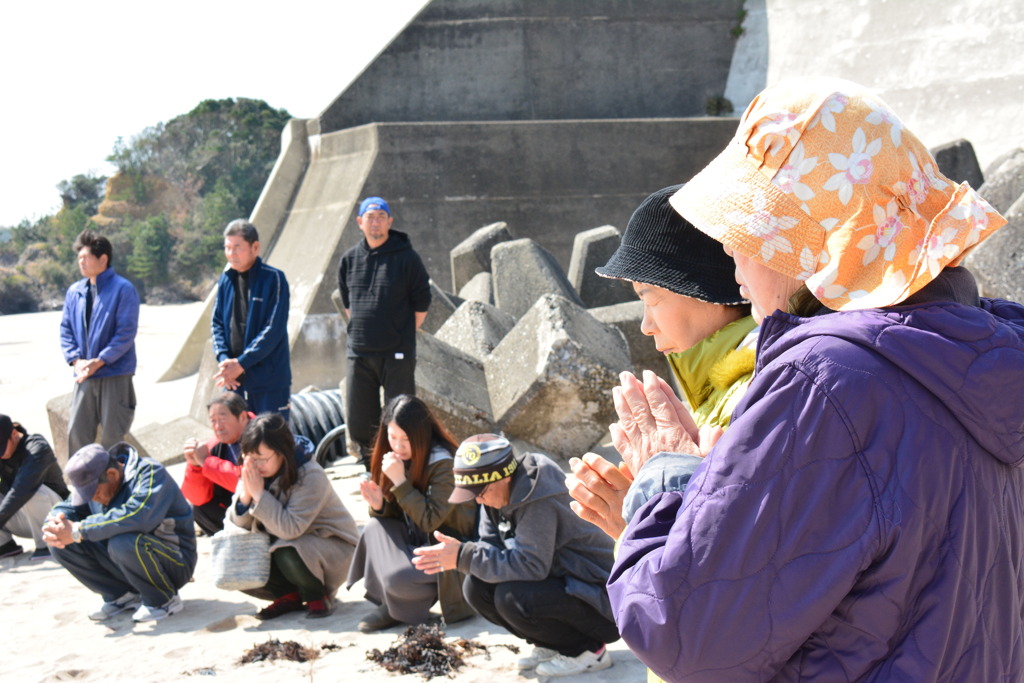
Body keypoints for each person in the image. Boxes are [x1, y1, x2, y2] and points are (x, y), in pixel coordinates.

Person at [607, 78, 1024, 680]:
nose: (730, 252)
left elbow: (684, 633)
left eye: (749, 231)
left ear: (810, 242)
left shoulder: (826, 385)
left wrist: (666, 477)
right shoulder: (976, 355)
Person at [568, 184, 756, 541]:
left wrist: (648, 516)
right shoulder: (727, 388)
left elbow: (711, 566)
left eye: (649, 298)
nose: (645, 325)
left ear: (702, 289)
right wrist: (639, 523)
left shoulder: (751, 395)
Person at [413, 435, 620, 678]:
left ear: (505, 477)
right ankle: (553, 644)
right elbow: (489, 545)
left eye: (481, 492)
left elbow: (531, 566)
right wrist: (464, 556)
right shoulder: (494, 497)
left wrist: (463, 556)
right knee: (476, 588)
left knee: (512, 598)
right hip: (565, 585)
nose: (479, 500)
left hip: (604, 603)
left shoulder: (538, 498)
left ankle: (589, 652)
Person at [347, 395, 477, 632]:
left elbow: (429, 521)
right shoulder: (400, 458)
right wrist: (379, 505)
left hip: (449, 557)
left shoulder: (445, 464)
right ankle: (394, 604)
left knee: (397, 579)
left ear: (421, 434)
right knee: (374, 529)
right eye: (392, 437)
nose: (398, 446)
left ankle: (399, 605)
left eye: (405, 439)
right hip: (419, 543)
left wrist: (400, 482)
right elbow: (402, 515)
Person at [43, 442, 196, 623]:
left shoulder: (149, 472)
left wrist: (78, 530)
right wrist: (54, 523)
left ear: (112, 474)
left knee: (122, 542)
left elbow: (137, 516)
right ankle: (122, 595)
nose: (91, 498)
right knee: (60, 544)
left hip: (174, 561)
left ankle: (163, 600)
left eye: (93, 492)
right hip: (124, 560)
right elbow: (67, 507)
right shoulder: (97, 484)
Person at [226, 413, 359, 620]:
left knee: (286, 551)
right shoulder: (252, 470)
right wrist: (246, 496)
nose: (256, 465)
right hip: (289, 544)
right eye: (250, 458)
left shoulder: (310, 474)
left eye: (262, 459)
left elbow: (291, 529)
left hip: (332, 547)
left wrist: (260, 495)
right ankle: (289, 596)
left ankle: (317, 597)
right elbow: (236, 524)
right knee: (239, 557)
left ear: (282, 452)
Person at [337, 196, 432, 465]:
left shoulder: (407, 258)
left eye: (381, 216)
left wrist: (399, 332)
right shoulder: (349, 260)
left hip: (397, 353)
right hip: (360, 352)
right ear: (360, 222)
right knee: (359, 421)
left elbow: (422, 302)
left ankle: (404, 470)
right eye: (370, 216)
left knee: (401, 417)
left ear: (390, 221)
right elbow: (348, 305)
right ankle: (373, 469)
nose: (375, 222)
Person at [60, 229, 140, 458]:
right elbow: (65, 329)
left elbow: (126, 333)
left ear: (103, 259)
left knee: (113, 438)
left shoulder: (123, 289)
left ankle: (116, 490)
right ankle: (81, 490)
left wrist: (101, 360)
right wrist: (76, 360)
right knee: (77, 432)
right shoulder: (75, 292)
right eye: (79, 258)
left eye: (85, 257)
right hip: (84, 374)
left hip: (114, 373)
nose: (81, 262)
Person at [211, 219, 291, 420]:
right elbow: (217, 324)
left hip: (269, 381)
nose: (231, 254)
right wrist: (224, 362)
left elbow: (274, 329)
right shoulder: (225, 280)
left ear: (255, 247)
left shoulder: (274, 279)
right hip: (233, 380)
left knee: (271, 441)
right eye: (227, 248)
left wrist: (242, 363)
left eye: (237, 248)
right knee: (234, 443)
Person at [180, 393, 253, 535]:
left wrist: (206, 462)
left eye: (223, 420)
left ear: (243, 417)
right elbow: (196, 498)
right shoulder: (214, 445)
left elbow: (248, 480)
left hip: (269, 505)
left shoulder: (262, 435)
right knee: (200, 509)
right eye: (213, 421)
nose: (218, 427)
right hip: (239, 507)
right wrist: (195, 466)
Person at [0, 415, 70, 560]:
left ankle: (47, 545)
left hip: (58, 519)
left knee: (30, 491)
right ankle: (5, 545)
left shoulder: (37, 447)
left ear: (14, 434)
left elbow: (22, 489)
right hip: (22, 521)